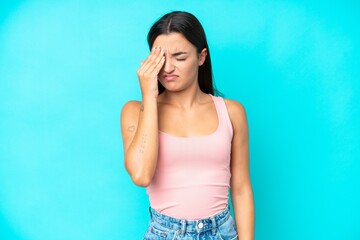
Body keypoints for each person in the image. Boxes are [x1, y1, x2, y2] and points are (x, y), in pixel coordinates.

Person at [120, 11, 254, 240]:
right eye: (160, 58)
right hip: (165, 233)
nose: (168, 68)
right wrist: (149, 97)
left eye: (179, 57)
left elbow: (241, 188)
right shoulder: (135, 111)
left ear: (201, 57)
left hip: (222, 232)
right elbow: (141, 175)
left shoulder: (232, 112)